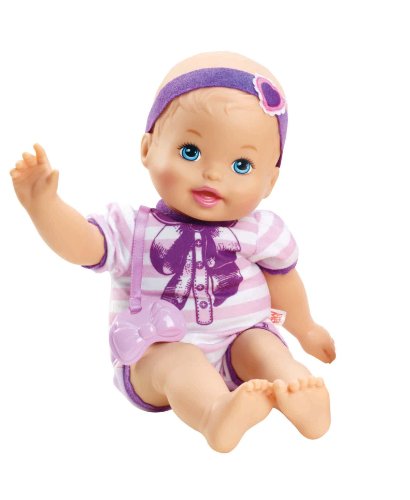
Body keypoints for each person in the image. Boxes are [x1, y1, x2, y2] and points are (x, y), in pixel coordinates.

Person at [10, 51, 336, 453]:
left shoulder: (260, 231)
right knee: (179, 361)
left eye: (241, 165)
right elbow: (84, 245)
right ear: (148, 148)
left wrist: (305, 329)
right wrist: (44, 206)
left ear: (270, 181)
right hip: (155, 356)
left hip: (239, 344)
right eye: (190, 152)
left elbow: (283, 283)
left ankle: (297, 390)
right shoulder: (133, 228)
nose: (213, 174)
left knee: (263, 346)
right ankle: (214, 413)